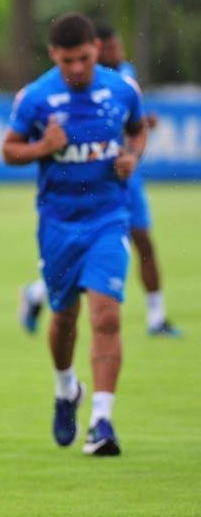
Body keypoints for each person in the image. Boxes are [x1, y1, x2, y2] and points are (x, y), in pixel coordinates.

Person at [3, 12, 145, 457]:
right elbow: (9, 150)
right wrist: (43, 148)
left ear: (96, 51)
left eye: (83, 59)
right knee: (63, 317)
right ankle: (67, 389)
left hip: (108, 218)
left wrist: (132, 158)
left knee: (106, 315)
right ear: (53, 56)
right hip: (59, 225)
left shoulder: (122, 90)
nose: (77, 69)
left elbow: (137, 131)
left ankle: (102, 422)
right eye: (68, 61)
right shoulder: (37, 97)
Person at [18, 23, 180, 337]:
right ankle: (38, 293)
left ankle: (156, 318)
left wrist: (135, 147)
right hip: (79, 180)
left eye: (119, 46)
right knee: (78, 258)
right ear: (98, 48)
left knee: (141, 240)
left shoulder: (124, 77)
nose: (118, 52)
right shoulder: (59, 86)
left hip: (121, 177)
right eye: (113, 47)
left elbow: (131, 122)